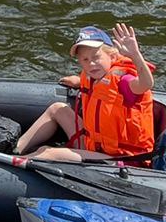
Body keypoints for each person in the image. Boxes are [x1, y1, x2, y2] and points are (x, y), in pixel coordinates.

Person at [14, 24, 156, 162]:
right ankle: (15, 150)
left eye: (96, 57)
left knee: (50, 153)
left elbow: (146, 84)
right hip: (95, 146)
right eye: (85, 60)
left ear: (112, 57)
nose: (91, 64)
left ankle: (11, 165)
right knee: (57, 109)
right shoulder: (94, 78)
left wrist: (135, 55)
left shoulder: (125, 82)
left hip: (124, 158)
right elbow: (97, 89)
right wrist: (77, 82)